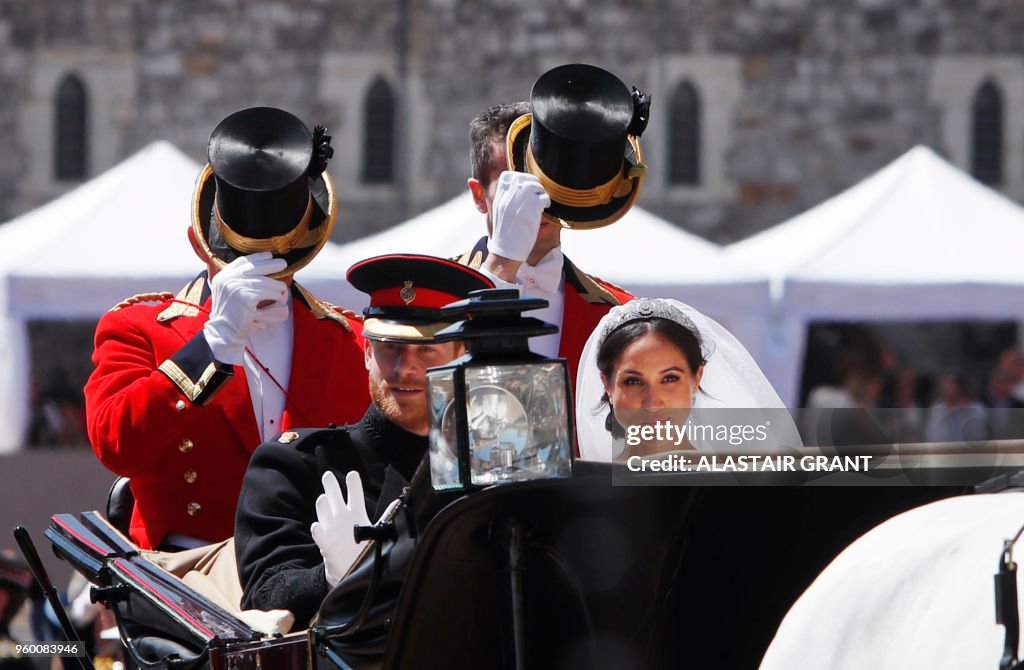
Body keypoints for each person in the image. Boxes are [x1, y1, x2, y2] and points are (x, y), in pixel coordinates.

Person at [84, 107, 369, 551]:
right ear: (198, 242)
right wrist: (211, 345)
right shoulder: (138, 328)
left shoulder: (351, 340)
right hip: (187, 578)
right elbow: (116, 445)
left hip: (314, 574)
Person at [235, 254, 495, 630]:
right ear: (368, 353)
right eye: (390, 347)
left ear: (461, 358)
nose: (404, 367)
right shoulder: (296, 463)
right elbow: (263, 594)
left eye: (426, 350)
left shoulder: (488, 466)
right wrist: (330, 577)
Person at [459, 63, 648, 384]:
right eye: (514, 186)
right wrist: (500, 269)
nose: (537, 202)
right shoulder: (431, 299)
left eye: (546, 181)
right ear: (479, 196)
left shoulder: (620, 317)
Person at [575, 298, 796, 460]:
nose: (652, 401)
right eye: (633, 381)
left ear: (696, 377)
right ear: (607, 384)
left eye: (670, 378)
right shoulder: (583, 490)